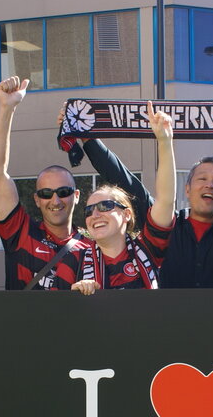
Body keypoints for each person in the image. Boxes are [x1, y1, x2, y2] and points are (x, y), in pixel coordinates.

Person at [61, 107, 213, 288]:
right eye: (202, 178)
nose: (209, 184)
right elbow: (124, 180)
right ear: (186, 189)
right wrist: (86, 136)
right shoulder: (165, 225)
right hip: (167, 322)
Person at [0, 76, 89, 290]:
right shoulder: (21, 233)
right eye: (46, 193)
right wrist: (7, 109)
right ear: (37, 199)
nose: (55, 200)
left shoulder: (92, 246)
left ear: (76, 195)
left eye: (63, 191)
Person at [69, 102, 176, 293]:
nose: (95, 214)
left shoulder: (148, 249)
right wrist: (77, 292)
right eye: (88, 210)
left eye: (105, 206)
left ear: (127, 214)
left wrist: (165, 141)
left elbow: (166, 200)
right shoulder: (75, 260)